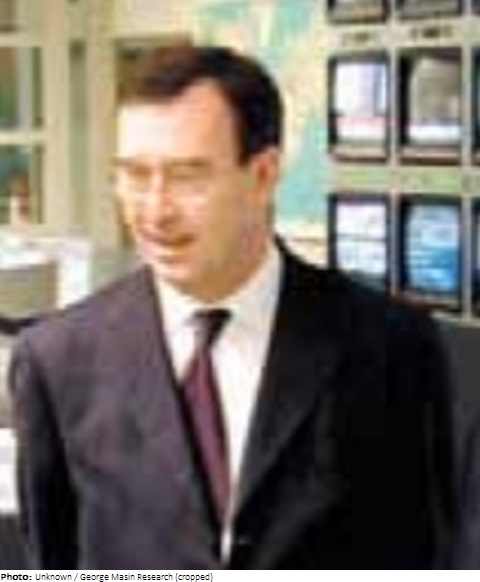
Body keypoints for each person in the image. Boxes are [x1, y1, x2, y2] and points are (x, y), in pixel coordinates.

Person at [9, 44, 456, 569]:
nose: (155, 210)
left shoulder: (391, 346)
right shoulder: (56, 362)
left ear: (263, 175)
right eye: (134, 174)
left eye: (187, 176)